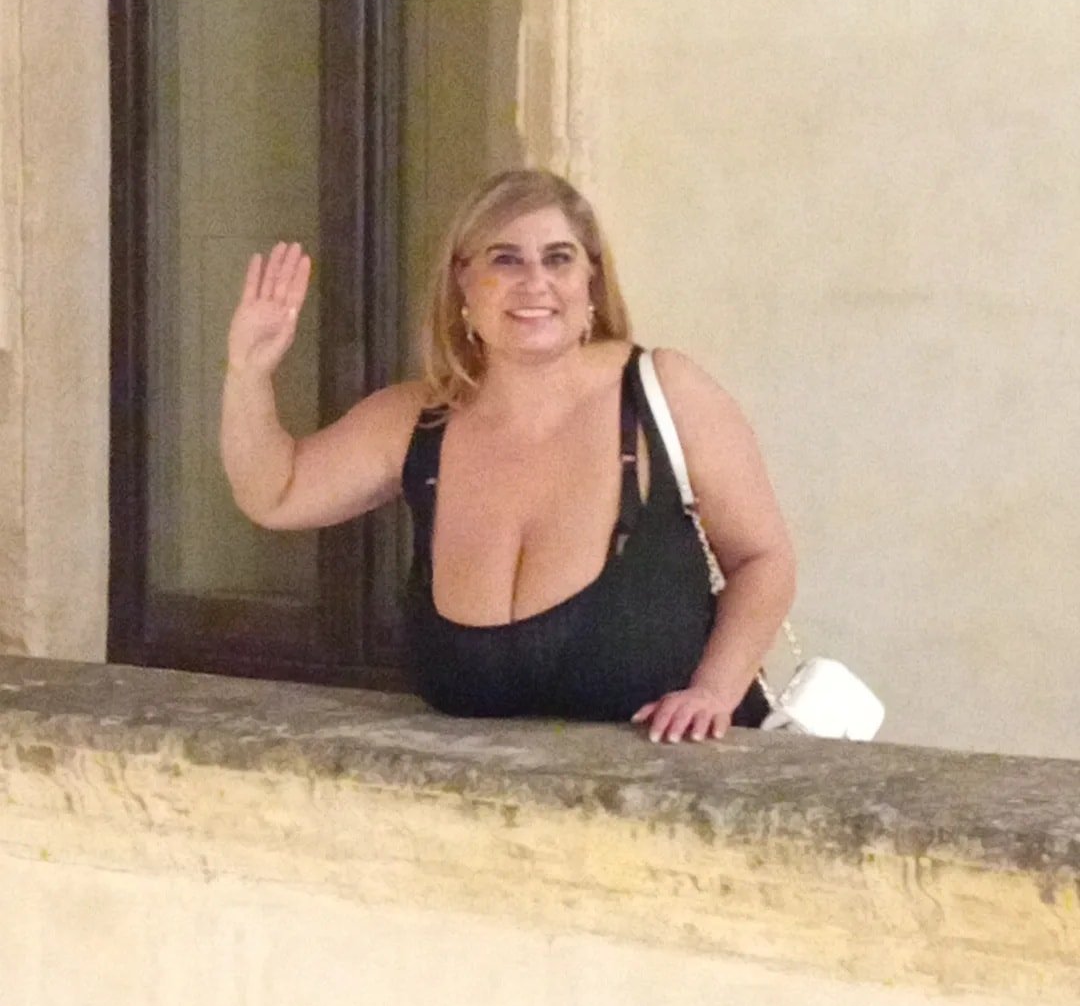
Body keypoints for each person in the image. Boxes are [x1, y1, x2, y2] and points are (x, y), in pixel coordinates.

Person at [221, 169, 795, 742]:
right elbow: (276, 493)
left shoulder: (662, 392)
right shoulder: (417, 421)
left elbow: (762, 559)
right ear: (462, 283)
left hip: (681, 788)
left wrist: (713, 693)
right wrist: (248, 371)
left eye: (559, 258)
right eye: (505, 259)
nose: (535, 282)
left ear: (591, 279)